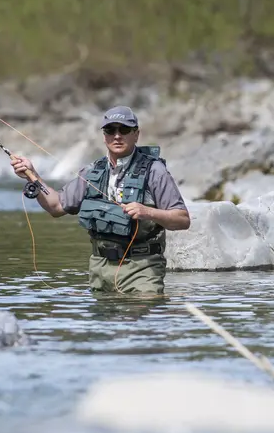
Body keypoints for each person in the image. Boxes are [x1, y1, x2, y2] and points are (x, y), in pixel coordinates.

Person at [10, 106, 190, 294]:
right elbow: (56, 206)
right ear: (104, 136)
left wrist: (148, 212)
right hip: (100, 270)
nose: (117, 136)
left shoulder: (155, 171)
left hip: (143, 269)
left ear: (136, 134)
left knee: (141, 311)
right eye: (110, 130)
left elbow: (183, 219)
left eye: (124, 130)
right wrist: (32, 175)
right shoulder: (91, 171)